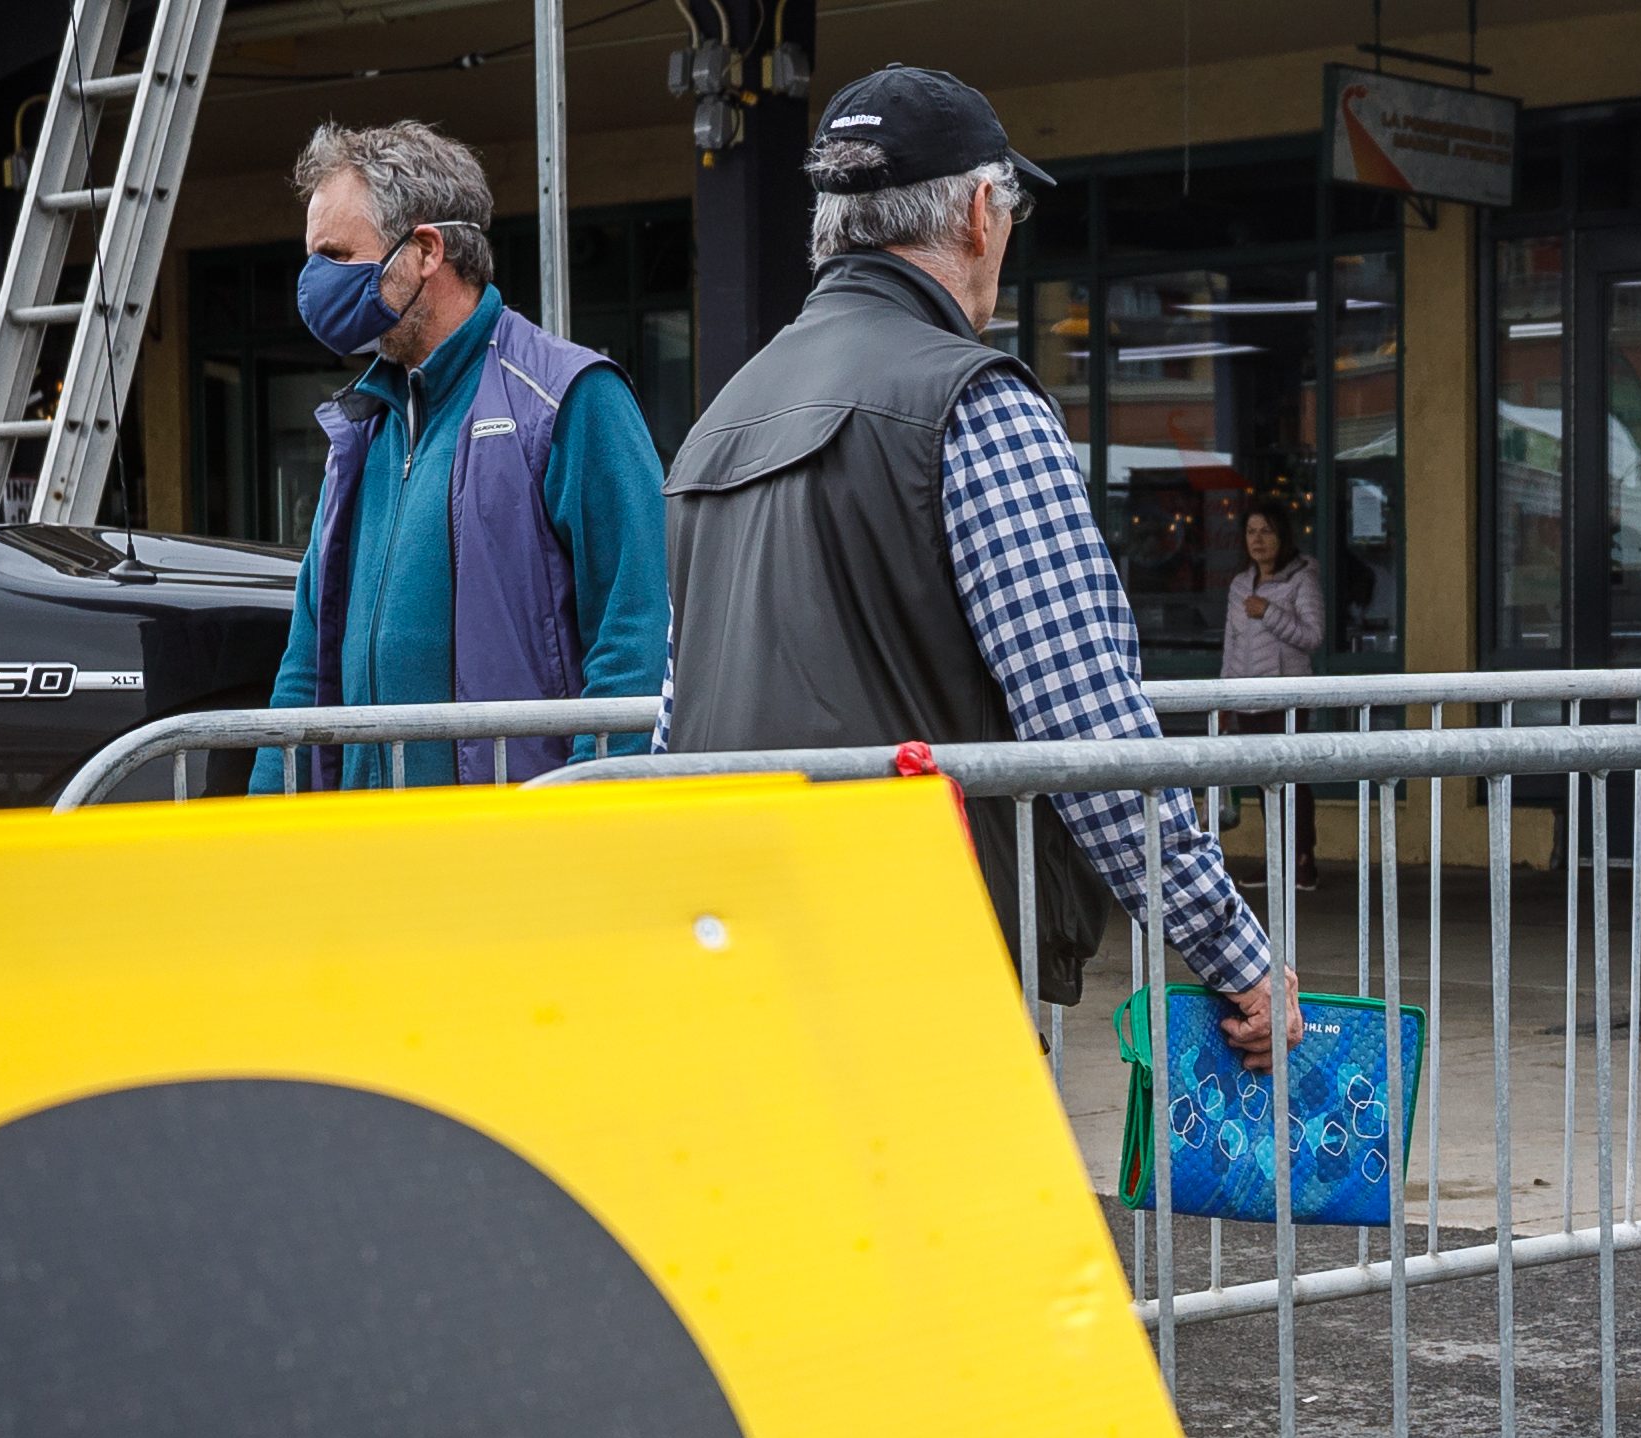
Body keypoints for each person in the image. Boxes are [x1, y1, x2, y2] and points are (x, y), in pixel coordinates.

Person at [663, 67, 1291, 1057]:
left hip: (732, 949)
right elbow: (1086, 720)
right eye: (1009, 211)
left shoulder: (721, 417)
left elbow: (677, 709)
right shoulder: (972, 401)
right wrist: (1232, 951)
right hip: (918, 960)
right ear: (977, 214)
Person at [251, 120, 669, 790]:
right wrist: (268, 813)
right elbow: (307, 659)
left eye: (336, 254)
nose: (315, 282)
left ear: (425, 250)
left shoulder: (568, 398)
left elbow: (634, 637)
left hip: (514, 835)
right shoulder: (362, 428)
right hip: (371, 837)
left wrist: (583, 813)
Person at [1221, 503, 1327, 684]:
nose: (1257, 540)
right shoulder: (1239, 584)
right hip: (1242, 693)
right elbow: (1230, 644)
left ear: (1281, 537)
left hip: (1284, 693)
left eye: (1266, 531)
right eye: (1251, 532)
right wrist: (1224, 689)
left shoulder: (1301, 579)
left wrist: (1268, 612)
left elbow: (1313, 637)